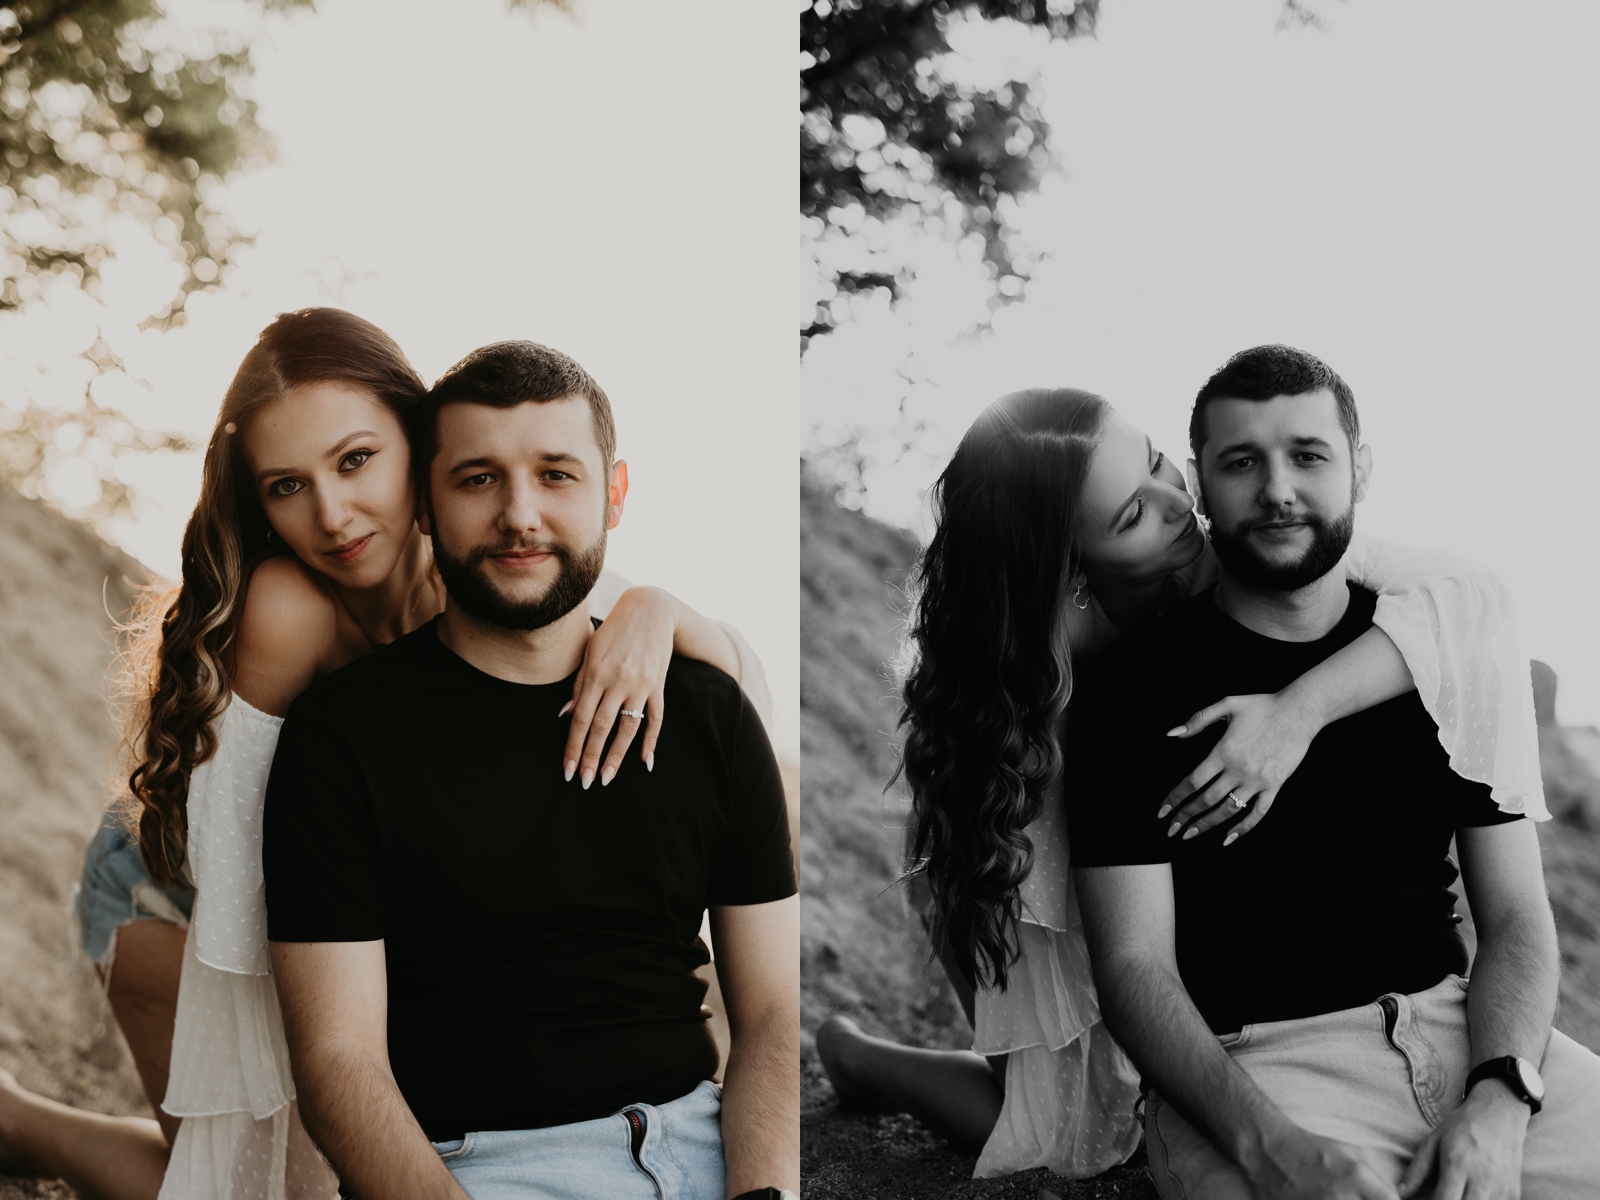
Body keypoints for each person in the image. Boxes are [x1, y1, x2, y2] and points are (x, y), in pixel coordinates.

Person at [0, 309, 773, 1200]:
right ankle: (21, 1121)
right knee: (241, 1190)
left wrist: (660, 610)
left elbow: (734, 705)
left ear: (422, 444)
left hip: (325, 895)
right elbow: (250, 877)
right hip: (179, 891)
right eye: (288, 487)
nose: (332, 515)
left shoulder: (505, 552)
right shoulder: (289, 607)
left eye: (357, 460)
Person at [816, 372, 1546, 1178]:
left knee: (1112, 1103)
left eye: (1160, 465)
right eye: (1132, 514)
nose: (1175, 505)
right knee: (1068, 1129)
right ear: (1075, 575)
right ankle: (863, 1059)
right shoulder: (1036, 694)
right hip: (1008, 850)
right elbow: (977, 836)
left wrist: (1299, 710)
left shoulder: (1248, 549)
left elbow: (1476, 601)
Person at [264, 340, 800, 1200]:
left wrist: (764, 1193)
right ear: (427, 506)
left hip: (701, 1147)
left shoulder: (707, 712)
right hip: (475, 1169)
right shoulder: (343, 737)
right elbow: (336, 1057)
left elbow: (773, 1010)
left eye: (557, 475)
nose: (520, 515)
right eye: (478, 479)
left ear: (613, 495)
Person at [1066, 344, 1600, 1198]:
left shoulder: (1442, 658)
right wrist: (1270, 1145)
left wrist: (1502, 1094)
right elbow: (1134, 970)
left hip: (1470, 1033)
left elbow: (1519, 921)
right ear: (1201, 485)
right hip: (1264, 1066)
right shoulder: (1131, 692)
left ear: (1361, 468)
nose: (1278, 488)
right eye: (1242, 462)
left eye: (1308, 455)